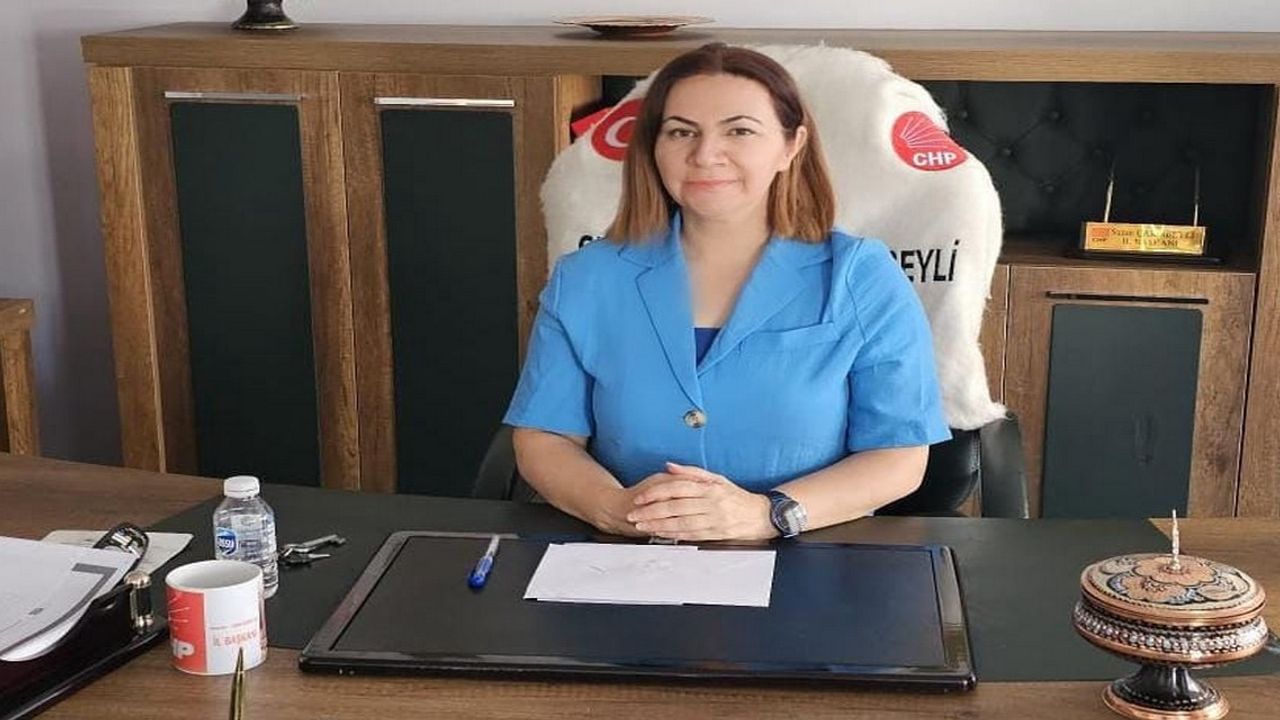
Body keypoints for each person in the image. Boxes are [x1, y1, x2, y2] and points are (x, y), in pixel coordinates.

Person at [503, 43, 950, 542]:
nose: (705, 155)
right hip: (627, 553)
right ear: (653, 147)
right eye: (681, 132)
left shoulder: (860, 276)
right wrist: (613, 509)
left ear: (791, 146)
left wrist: (767, 514)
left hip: (806, 551)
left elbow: (899, 456)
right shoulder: (586, 277)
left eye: (739, 131)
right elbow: (545, 437)